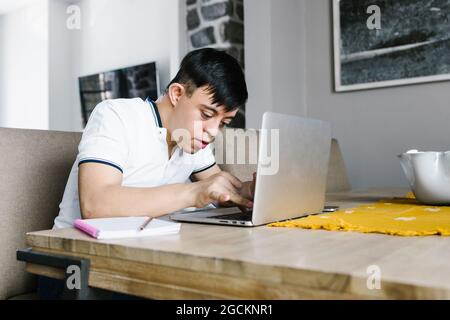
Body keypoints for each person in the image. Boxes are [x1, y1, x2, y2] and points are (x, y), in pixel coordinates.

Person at [53, 48, 255, 229]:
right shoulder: (116, 115)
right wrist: (193, 192)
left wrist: (249, 191)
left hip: (146, 249)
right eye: (207, 115)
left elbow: (219, 192)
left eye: (223, 123)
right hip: (75, 256)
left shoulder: (192, 139)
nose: (212, 131)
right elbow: (95, 205)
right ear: (177, 94)